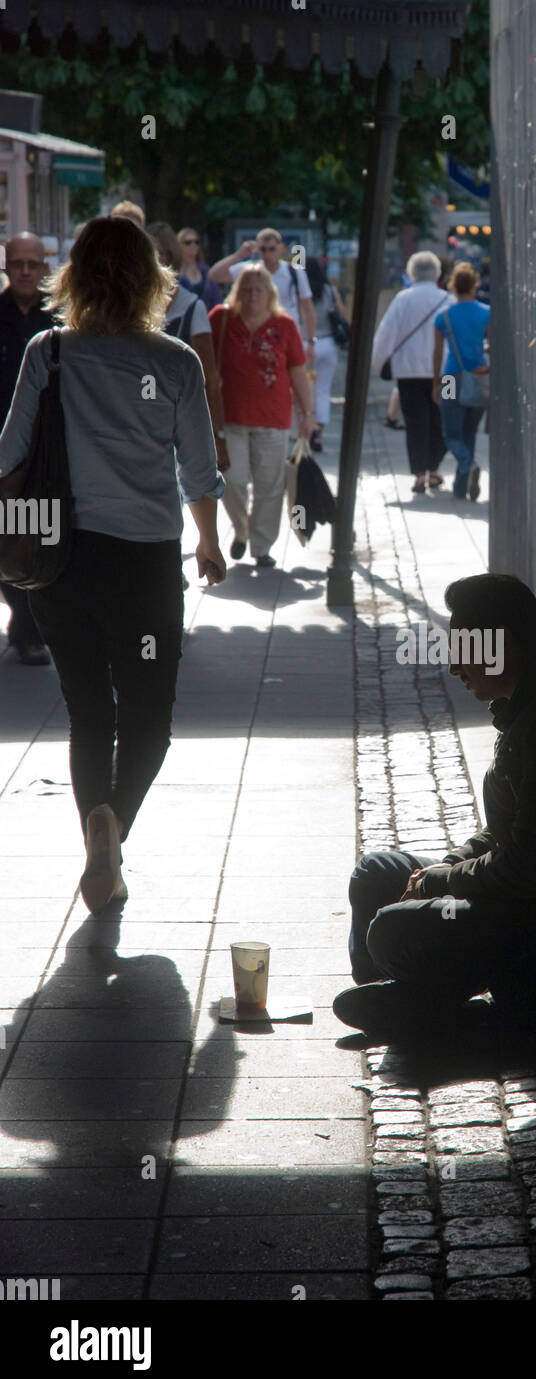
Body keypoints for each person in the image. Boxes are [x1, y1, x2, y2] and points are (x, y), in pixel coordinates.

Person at [0, 215, 227, 913]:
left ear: (72, 276)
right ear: (151, 280)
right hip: (146, 561)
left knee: (89, 712)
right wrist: (210, 544)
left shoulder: (50, 353)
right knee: (150, 715)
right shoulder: (174, 361)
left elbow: (8, 456)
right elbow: (199, 470)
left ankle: (99, 834)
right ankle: (115, 827)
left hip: (63, 562)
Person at [332, 573, 536, 1039]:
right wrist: (448, 865)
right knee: (375, 874)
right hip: (535, 896)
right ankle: (417, 993)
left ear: (501, 645)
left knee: (391, 931)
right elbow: (512, 826)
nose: (453, 666)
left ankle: (439, 1004)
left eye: (462, 649)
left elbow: (532, 866)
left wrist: (437, 881)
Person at [209, 265, 316, 568]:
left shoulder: (285, 324)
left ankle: (261, 546)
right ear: (237, 291)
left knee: (270, 486)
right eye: (247, 288)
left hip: (273, 417)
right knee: (232, 479)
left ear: (270, 292)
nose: (253, 294)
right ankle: (241, 529)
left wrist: (308, 414)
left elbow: (297, 370)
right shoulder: (221, 318)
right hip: (230, 417)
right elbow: (203, 362)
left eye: (259, 289)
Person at [0, 232, 53, 664]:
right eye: (17, 263)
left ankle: (29, 630)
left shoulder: (57, 320)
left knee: (35, 537)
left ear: (44, 268)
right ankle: (21, 618)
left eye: (32, 264)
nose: (24, 271)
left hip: (41, 449)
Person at [146, 222, 229, 476]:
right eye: (151, 256)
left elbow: (210, 380)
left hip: (176, 426)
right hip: (136, 423)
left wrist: (217, 435)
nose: (157, 263)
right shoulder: (126, 309)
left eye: (163, 256)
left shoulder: (192, 308)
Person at [371, 251, 451, 494]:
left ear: (411, 273)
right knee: (444, 419)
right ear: (437, 273)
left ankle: (419, 474)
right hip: (446, 373)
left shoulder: (402, 299)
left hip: (409, 372)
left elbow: (386, 334)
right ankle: (435, 469)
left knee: (415, 422)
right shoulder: (448, 299)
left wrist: (379, 364)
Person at [209, 228, 317, 363]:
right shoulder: (250, 270)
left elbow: (307, 307)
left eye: (271, 249)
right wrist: (239, 255)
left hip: (287, 334)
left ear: (280, 248)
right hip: (257, 334)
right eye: (263, 249)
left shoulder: (294, 272)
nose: (267, 254)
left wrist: (311, 342)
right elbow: (214, 275)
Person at [432, 261, 490, 501]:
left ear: (453, 287)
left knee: (450, 433)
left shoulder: (443, 317)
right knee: (469, 433)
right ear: (475, 285)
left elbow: (436, 353)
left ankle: (467, 466)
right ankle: (461, 484)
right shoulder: (487, 313)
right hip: (478, 377)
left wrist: (435, 383)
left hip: (449, 378)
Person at [304, 257, 349, 452]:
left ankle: (307, 428)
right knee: (323, 389)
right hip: (328, 343)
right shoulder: (330, 291)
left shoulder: (300, 293)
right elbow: (343, 315)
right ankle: (319, 433)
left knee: (306, 389)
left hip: (306, 345)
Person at [176, 227, 223, 312]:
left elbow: (217, 298)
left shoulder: (206, 270)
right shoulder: (174, 271)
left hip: (205, 318)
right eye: (188, 242)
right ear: (179, 245)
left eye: (196, 242)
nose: (193, 245)